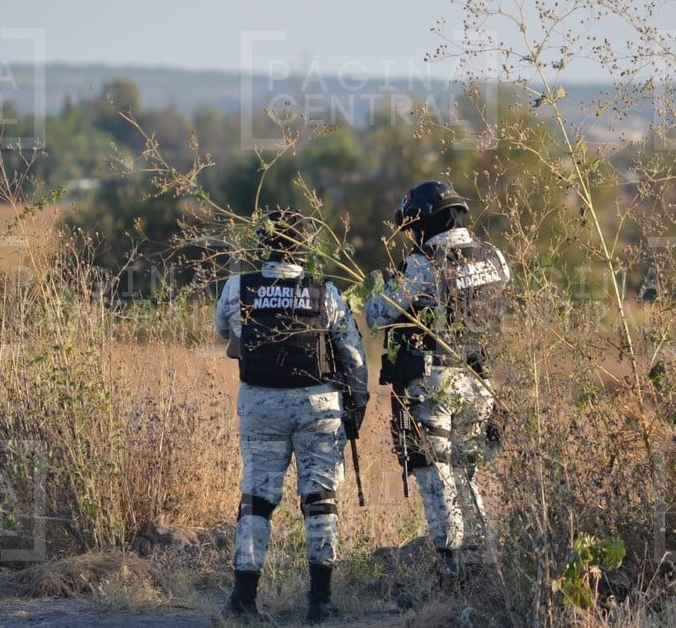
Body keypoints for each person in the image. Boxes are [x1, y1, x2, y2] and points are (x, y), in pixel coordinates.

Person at [215, 208, 369, 623]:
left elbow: (225, 334)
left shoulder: (236, 287)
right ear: (306, 247)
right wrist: (358, 404)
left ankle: (242, 601)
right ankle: (320, 602)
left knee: (256, 499)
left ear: (261, 244)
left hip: (259, 404)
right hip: (318, 406)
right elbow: (353, 357)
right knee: (319, 500)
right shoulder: (326, 292)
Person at [364, 180, 510, 579]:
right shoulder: (494, 256)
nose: (411, 235)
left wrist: (381, 285)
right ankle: (484, 564)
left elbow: (379, 313)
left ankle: (452, 570)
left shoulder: (425, 262)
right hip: (481, 384)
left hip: (434, 383)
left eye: (413, 226)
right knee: (467, 472)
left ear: (426, 220)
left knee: (437, 474)